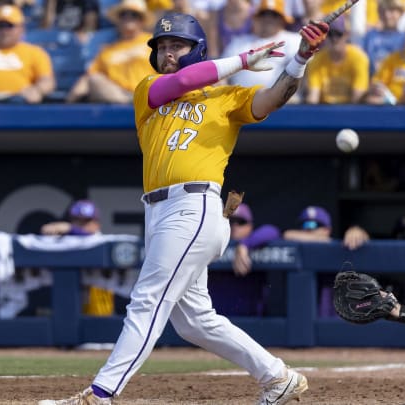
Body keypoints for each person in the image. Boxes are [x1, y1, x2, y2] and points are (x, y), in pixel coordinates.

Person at [39, 11, 330, 405]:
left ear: (199, 50)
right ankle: (277, 377)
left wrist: (300, 59)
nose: (167, 53)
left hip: (194, 206)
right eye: (161, 46)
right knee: (194, 321)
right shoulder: (150, 88)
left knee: (147, 300)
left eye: (177, 45)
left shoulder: (227, 98)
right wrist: (243, 60)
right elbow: (183, 81)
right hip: (159, 212)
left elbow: (272, 98)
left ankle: (101, 394)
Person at [65, 0, 154, 104]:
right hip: (117, 96)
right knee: (94, 79)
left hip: (148, 94)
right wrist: (69, 102)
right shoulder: (108, 50)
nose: (128, 18)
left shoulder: (153, 42)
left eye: (134, 14)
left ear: (142, 20)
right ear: (118, 19)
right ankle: (131, 105)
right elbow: (90, 76)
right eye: (124, 14)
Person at [42, 199, 114, 316]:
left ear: (97, 224)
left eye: (86, 221)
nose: (81, 225)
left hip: (98, 310)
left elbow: (89, 239)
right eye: (77, 221)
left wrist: (70, 229)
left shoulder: (101, 240)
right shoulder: (67, 241)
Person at [221, 0, 300, 92]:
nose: (268, 19)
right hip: (239, 101)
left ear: (282, 19)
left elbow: (302, 72)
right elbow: (222, 74)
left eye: (274, 15)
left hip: (283, 102)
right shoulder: (239, 42)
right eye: (264, 14)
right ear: (256, 18)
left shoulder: (294, 40)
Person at [304, 17, 369, 104]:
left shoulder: (359, 58)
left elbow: (357, 98)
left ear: (347, 35)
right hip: (325, 111)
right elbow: (313, 97)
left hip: (350, 111)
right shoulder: (316, 61)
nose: (334, 38)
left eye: (338, 34)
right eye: (330, 34)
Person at [361, 0, 405, 75]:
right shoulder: (370, 36)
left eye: (391, 11)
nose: (387, 15)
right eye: (383, 11)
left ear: (400, 13)